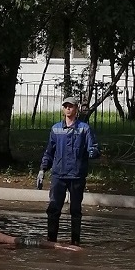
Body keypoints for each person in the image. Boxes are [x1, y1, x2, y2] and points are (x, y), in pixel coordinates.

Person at [38, 97, 100, 245]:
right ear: (63, 109)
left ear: (76, 109)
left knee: (75, 210)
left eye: (70, 106)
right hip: (58, 175)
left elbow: (95, 147)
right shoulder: (56, 129)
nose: (68, 109)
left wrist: (93, 151)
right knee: (54, 208)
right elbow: (49, 152)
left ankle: (75, 241)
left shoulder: (84, 129)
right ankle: (51, 240)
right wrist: (42, 169)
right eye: (65, 106)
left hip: (77, 175)